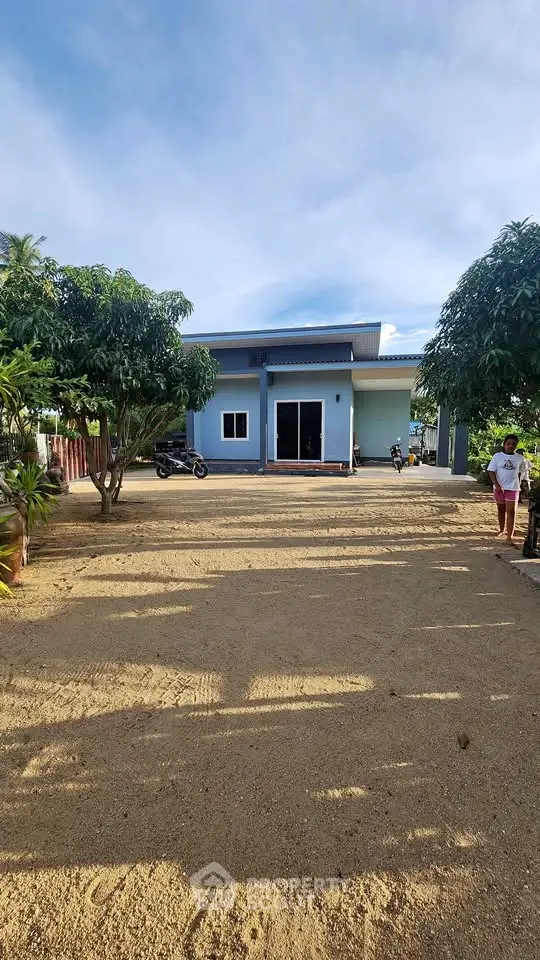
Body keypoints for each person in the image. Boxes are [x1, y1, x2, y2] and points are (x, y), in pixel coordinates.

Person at [487, 435, 525, 543]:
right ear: (504, 444)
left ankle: (509, 536)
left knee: (511, 512)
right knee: (501, 510)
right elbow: (491, 471)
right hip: (499, 488)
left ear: (516, 445)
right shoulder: (497, 456)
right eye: (508, 443)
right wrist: (496, 485)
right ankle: (501, 529)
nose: (511, 446)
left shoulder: (520, 458)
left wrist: (518, 486)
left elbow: (520, 473)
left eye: (513, 444)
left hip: (513, 489)